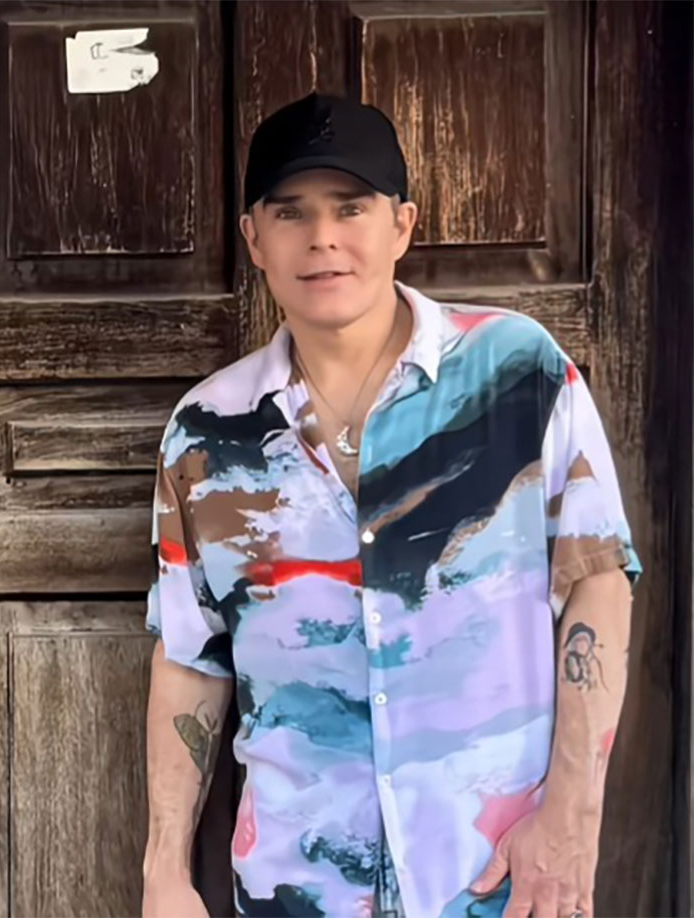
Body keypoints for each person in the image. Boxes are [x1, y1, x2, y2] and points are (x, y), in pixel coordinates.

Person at [142, 92, 642, 918]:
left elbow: (599, 580)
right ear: (253, 240)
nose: (324, 238)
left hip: (497, 880)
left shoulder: (517, 376)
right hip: (297, 889)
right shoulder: (207, 434)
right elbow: (190, 656)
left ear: (402, 226)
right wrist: (165, 870)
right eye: (291, 213)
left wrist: (573, 819)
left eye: (352, 208)